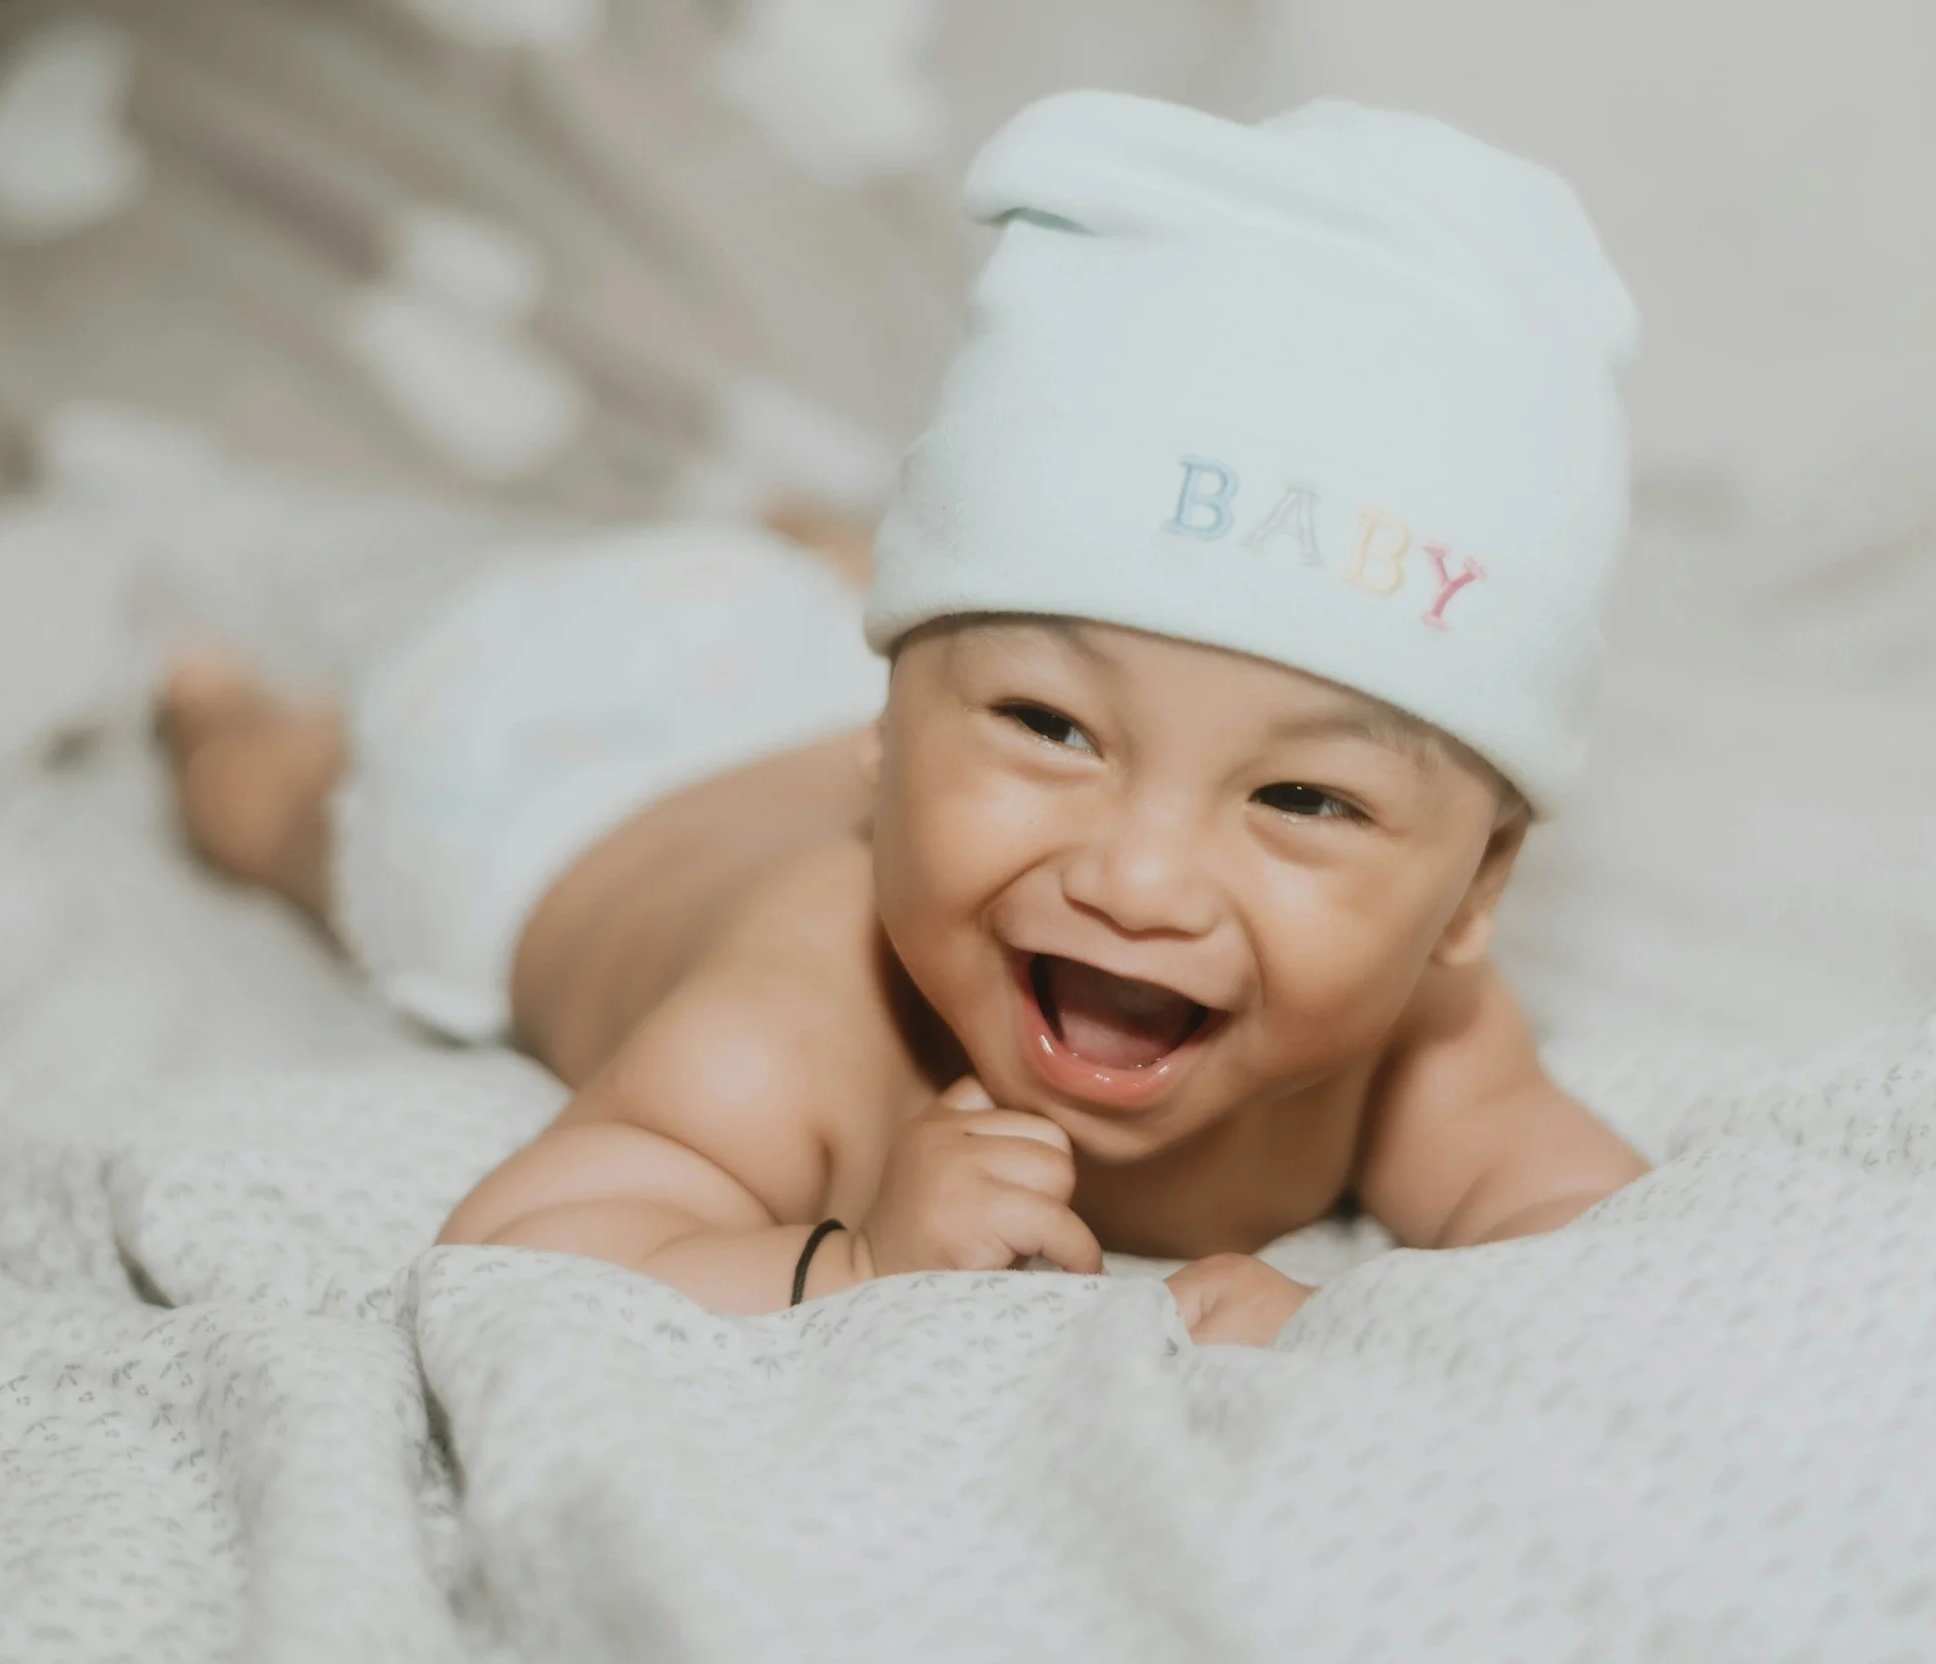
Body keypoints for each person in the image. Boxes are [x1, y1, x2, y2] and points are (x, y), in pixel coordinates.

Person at [160, 90, 1650, 1346]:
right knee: (287, 812)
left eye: (1303, 799)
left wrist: (1350, 1326)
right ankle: (224, 715)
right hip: (549, 777)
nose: (1139, 881)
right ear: (893, 725)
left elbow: (1595, 1241)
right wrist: (857, 1264)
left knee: (958, 612)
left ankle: (860, 580)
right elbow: (524, 1253)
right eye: (1052, 726)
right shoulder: (803, 1019)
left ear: (1475, 889)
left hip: (822, 685)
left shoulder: (1425, 1038)